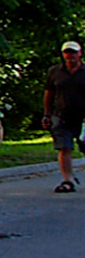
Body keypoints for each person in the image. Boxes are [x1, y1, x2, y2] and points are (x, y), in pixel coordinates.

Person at [48, 39, 85, 194]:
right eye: (67, 52)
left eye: (73, 52)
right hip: (61, 115)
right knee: (64, 147)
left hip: (83, 117)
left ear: (80, 54)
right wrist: (47, 114)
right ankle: (67, 179)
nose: (70, 56)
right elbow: (49, 93)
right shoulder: (55, 71)